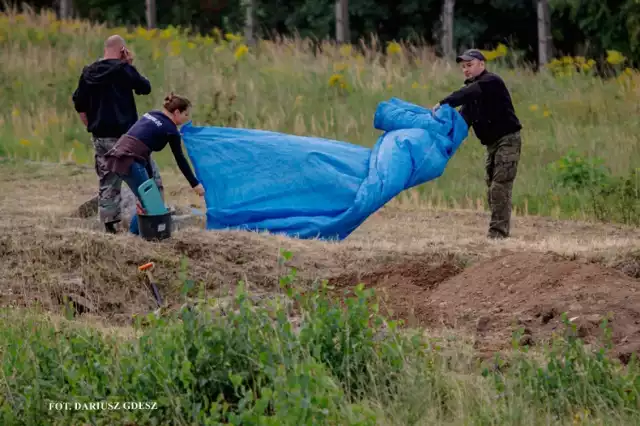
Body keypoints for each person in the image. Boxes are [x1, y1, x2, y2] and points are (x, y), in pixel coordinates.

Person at [72, 34, 162, 234]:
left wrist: (91, 126)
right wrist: (130, 64)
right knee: (148, 177)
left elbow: (79, 104)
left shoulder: (88, 72)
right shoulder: (123, 70)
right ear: (122, 50)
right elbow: (145, 87)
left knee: (108, 180)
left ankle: (109, 226)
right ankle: (152, 219)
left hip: (101, 137)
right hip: (126, 139)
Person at [434, 49, 522, 239]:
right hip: (491, 144)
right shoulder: (471, 97)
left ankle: (497, 234)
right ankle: (499, 229)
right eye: (463, 67)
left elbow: (469, 92)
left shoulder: (491, 82)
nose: (466, 70)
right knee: (492, 186)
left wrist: (444, 103)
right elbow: (461, 123)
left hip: (508, 140)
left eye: (470, 65)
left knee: (500, 186)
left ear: (482, 64)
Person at [104, 93, 205, 235]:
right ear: (176, 112)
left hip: (117, 156)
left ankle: (135, 235)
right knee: (150, 202)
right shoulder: (171, 130)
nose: (186, 119)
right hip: (130, 160)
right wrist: (195, 184)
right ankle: (133, 237)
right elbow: (180, 159)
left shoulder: (152, 114)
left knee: (147, 199)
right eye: (186, 114)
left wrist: (150, 178)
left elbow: (144, 148)